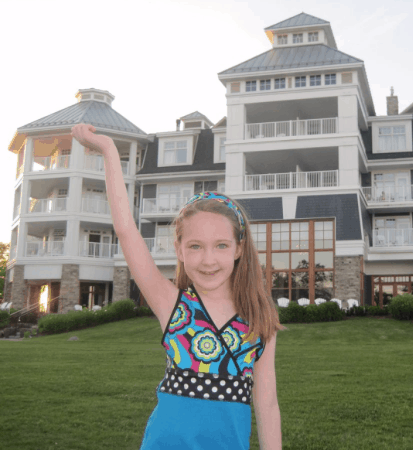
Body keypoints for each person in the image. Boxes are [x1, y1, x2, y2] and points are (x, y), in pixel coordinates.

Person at [71, 124, 284, 449]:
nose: (208, 259)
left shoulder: (259, 318)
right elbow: (126, 229)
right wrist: (108, 150)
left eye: (221, 246)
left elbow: (267, 403)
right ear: (180, 250)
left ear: (239, 249)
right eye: (196, 246)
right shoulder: (173, 305)